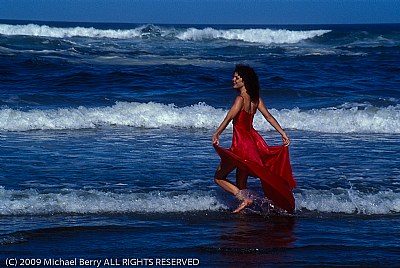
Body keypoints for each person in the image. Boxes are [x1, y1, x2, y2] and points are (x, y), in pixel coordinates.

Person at [212, 64, 296, 213]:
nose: (233, 80)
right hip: (253, 144)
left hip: (241, 145)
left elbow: (229, 118)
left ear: (245, 80)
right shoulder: (256, 100)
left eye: (237, 77)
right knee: (241, 179)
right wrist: (283, 133)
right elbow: (269, 117)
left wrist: (217, 133)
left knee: (218, 177)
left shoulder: (240, 99)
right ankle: (244, 210)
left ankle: (244, 198)